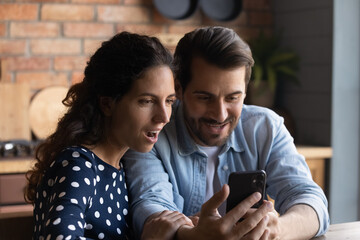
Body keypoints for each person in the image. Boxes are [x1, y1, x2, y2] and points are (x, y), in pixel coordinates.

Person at [123, 26, 330, 239]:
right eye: (204, 97)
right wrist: (194, 235)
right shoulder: (153, 130)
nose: (220, 115)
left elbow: (310, 199)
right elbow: (151, 211)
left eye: (233, 98)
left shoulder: (266, 127)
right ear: (179, 89)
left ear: (245, 92)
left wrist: (277, 230)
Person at [24, 32, 193, 240]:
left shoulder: (118, 167)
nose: (164, 117)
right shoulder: (79, 166)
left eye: (169, 101)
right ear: (107, 103)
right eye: (147, 101)